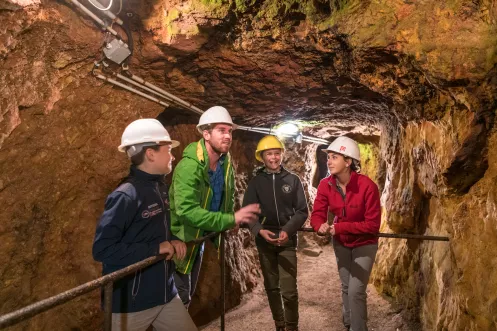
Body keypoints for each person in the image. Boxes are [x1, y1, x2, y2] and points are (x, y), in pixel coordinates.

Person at [92, 118, 197, 331]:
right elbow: (102, 249)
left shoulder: (159, 188)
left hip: (165, 293)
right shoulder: (125, 196)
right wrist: (155, 249)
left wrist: (171, 240)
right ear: (150, 153)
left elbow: (151, 231)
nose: (172, 155)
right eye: (168, 150)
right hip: (131, 304)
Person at [169, 106, 260, 308]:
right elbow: (187, 211)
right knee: (179, 303)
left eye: (230, 131)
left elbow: (226, 195)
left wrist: (228, 217)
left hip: (199, 239)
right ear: (206, 133)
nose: (228, 136)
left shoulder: (224, 163)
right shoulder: (189, 167)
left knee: (187, 298)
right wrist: (230, 219)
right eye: (221, 130)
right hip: (181, 240)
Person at [310, 136, 381, 331]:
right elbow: (317, 214)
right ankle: (349, 325)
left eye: (334, 157)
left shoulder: (367, 187)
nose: (329, 161)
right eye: (329, 157)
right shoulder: (326, 185)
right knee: (346, 286)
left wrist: (340, 227)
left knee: (356, 290)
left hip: (365, 243)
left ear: (348, 162)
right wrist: (319, 226)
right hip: (341, 242)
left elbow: (372, 225)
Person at [242, 135, 308, 331]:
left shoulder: (292, 180)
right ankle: (279, 325)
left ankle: (292, 327)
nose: (273, 157)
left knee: (289, 290)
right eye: (269, 154)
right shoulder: (255, 183)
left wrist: (288, 230)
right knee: (271, 287)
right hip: (265, 241)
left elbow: (302, 210)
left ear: (282, 155)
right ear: (262, 157)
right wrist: (259, 230)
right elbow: (248, 211)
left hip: (286, 241)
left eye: (276, 153)